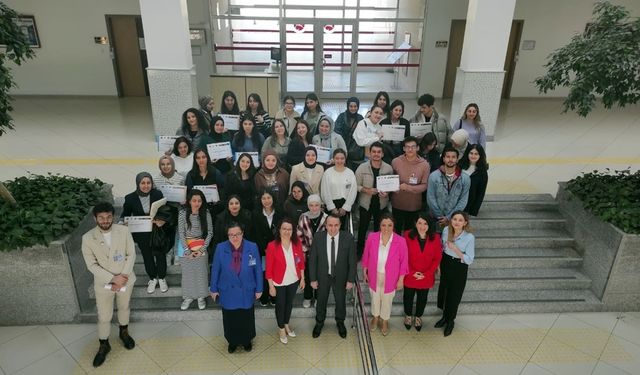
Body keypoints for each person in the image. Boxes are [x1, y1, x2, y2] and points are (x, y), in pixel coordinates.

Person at [82, 202, 136, 367]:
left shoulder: (124, 231)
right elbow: (91, 265)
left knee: (124, 307)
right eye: (101, 218)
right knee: (104, 315)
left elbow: (131, 254)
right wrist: (113, 279)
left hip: (125, 279)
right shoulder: (87, 238)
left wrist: (123, 277)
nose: (105, 221)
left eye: (108, 217)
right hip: (104, 283)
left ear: (113, 216)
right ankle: (104, 344)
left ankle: (123, 333)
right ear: (95, 218)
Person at [210, 222, 263, 353]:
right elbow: (215, 269)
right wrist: (213, 289)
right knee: (230, 317)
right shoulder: (220, 248)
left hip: (247, 288)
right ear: (227, 235)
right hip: (228, 289)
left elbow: (258, 269)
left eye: (237, 234)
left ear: (242, 233)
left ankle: (246, 340)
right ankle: (232, 341)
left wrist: (259, 288)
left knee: (246, 317)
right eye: (231, 235)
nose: (234, 237)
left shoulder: (252, 246)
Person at [309, 214, 357, 339]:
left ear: (340, 225)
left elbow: (352, 260)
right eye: (330, 225)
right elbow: (313, 259)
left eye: (336, 225)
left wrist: (351, 279)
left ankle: (340, 323)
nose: (333, 228)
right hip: (323, 276)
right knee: (321, 301)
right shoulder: (318, 237)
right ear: (326, 225)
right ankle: (319, 322)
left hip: (341, 277)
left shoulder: (348, 238)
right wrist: (313, 278)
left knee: (341, 302)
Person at [361, 214, 408, 336]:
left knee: (387, 299)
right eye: (383, 225)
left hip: (391, 277)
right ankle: (375, 317)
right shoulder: (372, 237)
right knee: (375, 297)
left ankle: (385, 320)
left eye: (389, 225)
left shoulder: (401, 241)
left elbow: (404, 262)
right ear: (379, 225)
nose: (386, 228)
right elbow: (366, 255)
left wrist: (401, 280)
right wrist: (364, 271)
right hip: (374, 274)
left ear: (393, 226)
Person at [121, 172, 166, 294]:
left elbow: (164, 211)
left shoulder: (157, 194)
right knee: (147, 256)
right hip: (141, 233)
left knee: (160, 254)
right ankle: (152, 278)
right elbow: (124, 215)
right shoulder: (130, 198)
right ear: (138, 184)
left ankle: (161, 277)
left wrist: (162, 220)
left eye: (148, 183)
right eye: (143, 183)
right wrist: (123, 222)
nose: (146, 186)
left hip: (157, 230)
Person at [265, 218, 305, 344]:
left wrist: (302, 278)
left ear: (293, 231)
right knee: (280, 305)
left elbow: (301, 262)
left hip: (293, 279)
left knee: (289, 303)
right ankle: (281, 328)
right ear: (279, 230)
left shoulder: (297, 243)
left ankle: (286, 323)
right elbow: (269, 268)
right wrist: (271, 286)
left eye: (289, 229)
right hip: (279, 281)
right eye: (284, 229)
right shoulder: (272, 246)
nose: (287, 231)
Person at [435, 211, 474, 337]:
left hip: (459, 266)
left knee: (455, 294)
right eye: (455, 219)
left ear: (465, 223)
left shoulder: (469, 237)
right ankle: (444, 317)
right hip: (446, 262)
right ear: (451, 220)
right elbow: (442, 247)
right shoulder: (446, 230)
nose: (457, 222)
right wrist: (439, 264)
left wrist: (456, 250)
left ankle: (451, 321)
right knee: (444, 290)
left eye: (460, 220)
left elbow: (469, 259)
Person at [403, 213, 441, 331]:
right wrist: (411, 272)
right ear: (415, 224)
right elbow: (403, 255)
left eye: (425, 223)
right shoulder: (407, 235)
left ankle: (418, 316)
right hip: (410, 274)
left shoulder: (435, 238)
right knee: (408, 296)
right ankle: (408, 316)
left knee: (422, 298)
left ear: (429, 225)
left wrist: (427, 273)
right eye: (419, 223)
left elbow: (437, 257)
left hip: (426, 275)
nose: (422, 226)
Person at [355, 141, 393, 258]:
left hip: (381, 204)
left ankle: (376, 252)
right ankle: (360, 252)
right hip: (366, 203)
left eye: (379, 152)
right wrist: (366, 190)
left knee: (379, 229)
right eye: (374, 152)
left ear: (382, 154)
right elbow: (356, 185)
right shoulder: (362, 167)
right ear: (369, 153)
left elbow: (391, 186)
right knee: (362, 228)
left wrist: (387, 193)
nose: (376, 154)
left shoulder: (388, 168)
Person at [178, 189, 213, 310]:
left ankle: (201, 297)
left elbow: (210, 232)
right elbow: (181, 233)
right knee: (187, 274)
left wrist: (202, 249)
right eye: (194, 200)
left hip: (201, 245)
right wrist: (187, 251)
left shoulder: (206, 213)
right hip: (185, 246)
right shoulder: (182, 213)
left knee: (201, 273)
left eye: (199, 201)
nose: (197, 203)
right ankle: (188, 297)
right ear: (189, 201)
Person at [252, 189, 285, 306]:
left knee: (276, 272)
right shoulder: (256, 214)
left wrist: (275, 248)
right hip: (263, 250)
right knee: (264, 272)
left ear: (273, 198)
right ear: (260, 200)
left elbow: (283, 231)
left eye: (268, 198)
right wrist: (265, 248)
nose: (266, 201)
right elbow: (256, 234)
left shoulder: (280, 212)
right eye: (263, 198)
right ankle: (265, 295)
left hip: (277, 248)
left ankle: (274, 296)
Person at [391, 136, 430, 234]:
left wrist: (408, 187)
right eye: (407, 147)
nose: (410, 149)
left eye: (413, 147)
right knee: (396, 232)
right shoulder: (396, 162)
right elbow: (390, 180)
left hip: (414, 206)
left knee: (410, 234)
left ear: (418, 148)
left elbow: (424, 186)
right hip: (397, 204)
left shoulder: (424, 165)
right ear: (403, 148)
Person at [427, 147, 471, 229]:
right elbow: (430, 198)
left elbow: (463, 200)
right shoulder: (433, 176)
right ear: (443, 159)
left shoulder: (465, 178)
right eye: (448, 157)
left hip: (455, 220)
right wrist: (440, 216)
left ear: (457, 159)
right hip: (436, 219)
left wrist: (449, 217)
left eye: (453, 157)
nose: (450, 159)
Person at [297, 194, 328, 308]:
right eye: (311, 205)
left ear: (320, 205)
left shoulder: (326, 217)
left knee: (320, 276)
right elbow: (299, 236)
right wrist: (306, 251)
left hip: (322, 254)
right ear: (308, 205)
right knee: (308, 275)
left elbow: (329, 236)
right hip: (307, 253)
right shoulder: (303, 217)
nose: (314, 208)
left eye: (316, 205)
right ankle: (307, 297)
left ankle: (318, 298)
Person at [320, 148, 358, 229]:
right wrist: (332, 207)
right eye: (337, 158)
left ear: (345, 159)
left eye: (342, 158)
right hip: (331, 206)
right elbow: (324, 190)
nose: (339, 161)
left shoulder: (350, 173)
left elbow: (353, 191)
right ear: (333, 159)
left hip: (344, 207)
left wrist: (345, 207)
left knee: (342, 231)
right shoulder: (328, 173)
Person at [185, 148, 225, 219]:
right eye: (198, 158)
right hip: (196, 209)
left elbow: (223, 190)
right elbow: (188, 193)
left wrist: (218, 200)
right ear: (195, 160)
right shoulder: (191, 175)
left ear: (207, 158)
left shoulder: (216, 173)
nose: (201, 160)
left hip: (214, 209)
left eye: (203, 157)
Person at [459, 144, 489, 216]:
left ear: (480, 155)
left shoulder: (482, 172)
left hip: (469, 205)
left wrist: (474, 211)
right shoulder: (460, 165)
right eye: (471, 153)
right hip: (457, 201)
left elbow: (480, 194)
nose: (473, 156)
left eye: (476, 154)